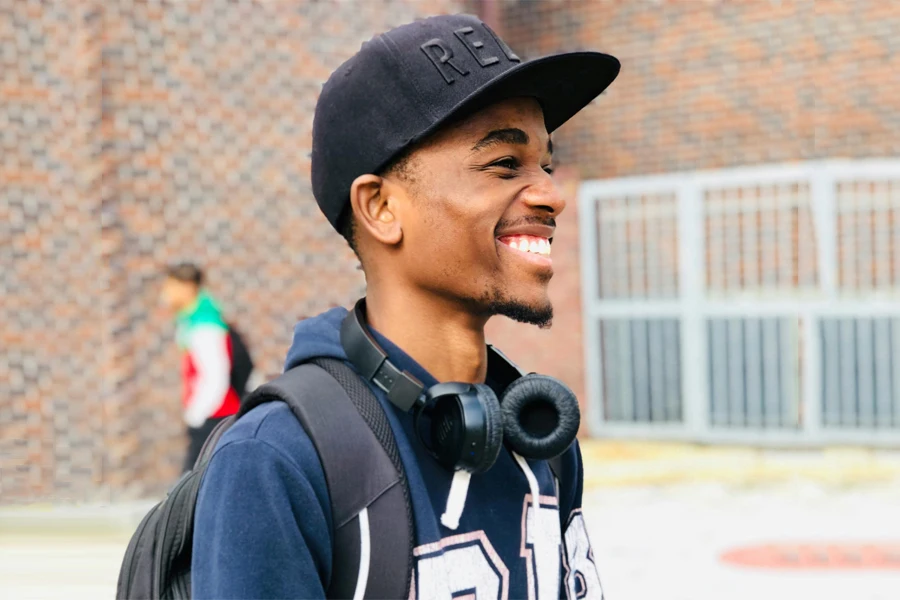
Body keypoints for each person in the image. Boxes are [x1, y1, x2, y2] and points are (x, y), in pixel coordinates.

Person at [192, 13, 619, 599]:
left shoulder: (540, 437)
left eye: (545, 164)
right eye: (503, 164)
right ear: (382, 209)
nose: (551, 194)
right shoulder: (276, 462)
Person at [160, 263, 242, 473]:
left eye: (171, 287)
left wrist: (197, 414)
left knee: (191, 487)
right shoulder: (192, 321)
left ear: (187, 287)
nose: (165, 294)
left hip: (213, 418)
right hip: (211, 416)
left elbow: (216, 375)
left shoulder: (205, 325)